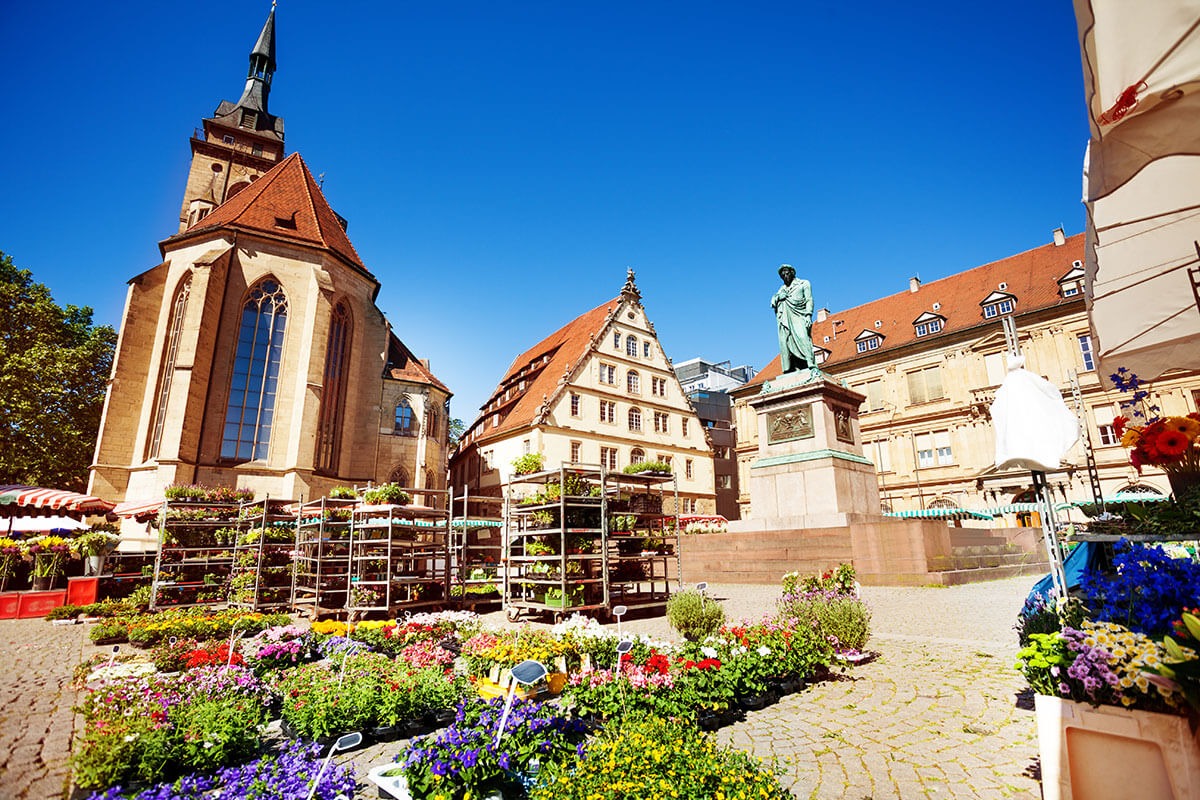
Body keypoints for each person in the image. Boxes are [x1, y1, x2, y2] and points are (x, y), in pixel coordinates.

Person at [771, 264, 815, 373]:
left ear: (792, 273)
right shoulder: (781, 290)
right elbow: (773, 301)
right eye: (782, 275)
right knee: (787, 341)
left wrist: (808, 315)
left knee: (803, 337)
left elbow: (809, 299)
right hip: (786, 319)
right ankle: (793, 367)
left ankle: (810, 363)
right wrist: (778, 297)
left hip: (800, 315)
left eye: (787, 273)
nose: (785, 276)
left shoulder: (803, 284)